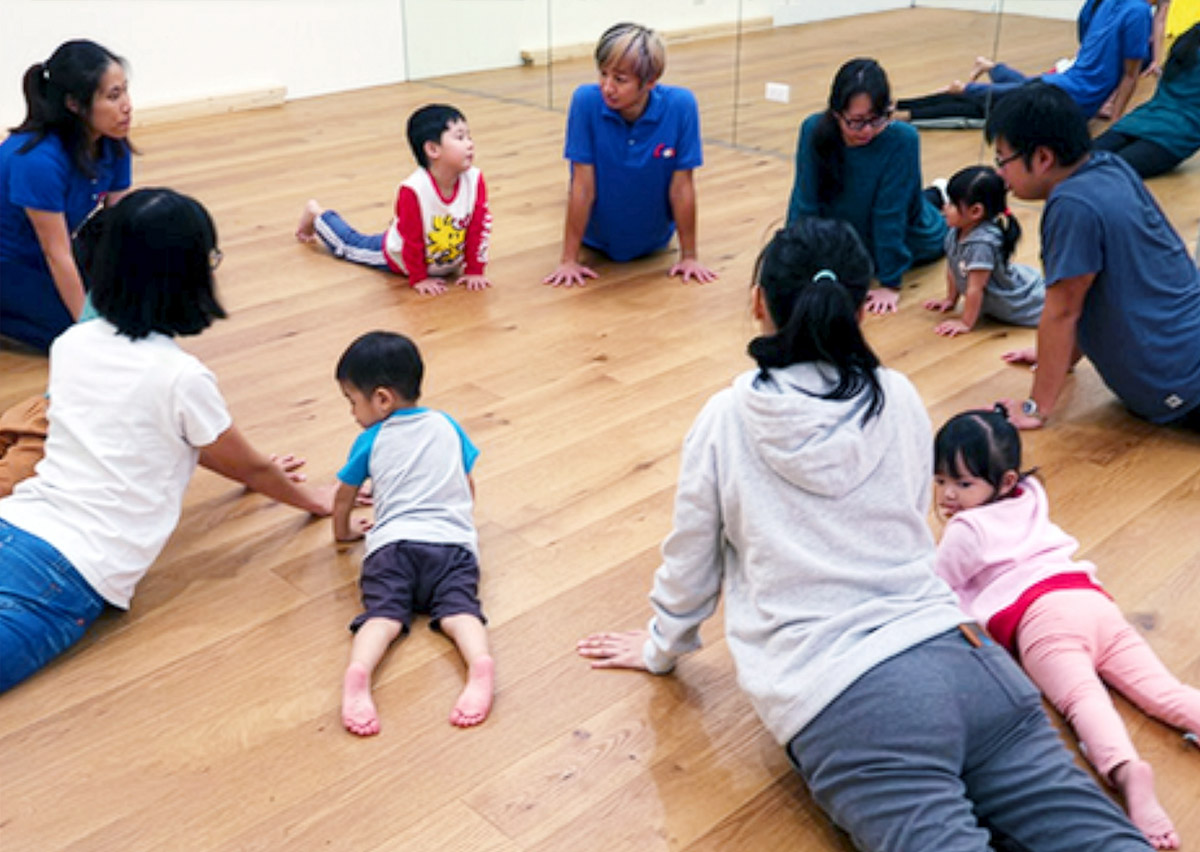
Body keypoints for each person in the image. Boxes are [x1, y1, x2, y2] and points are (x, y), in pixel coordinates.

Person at [576, 217, 1152, 852]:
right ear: (861, 309)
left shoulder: (726, 418)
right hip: (970, 661)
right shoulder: (898, 395)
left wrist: (663, 645)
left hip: (851, 700)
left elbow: (692, 562)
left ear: (760, 302)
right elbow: (908, 523)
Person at [0, 188, 335, 693]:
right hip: (68, 571)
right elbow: (244, 466)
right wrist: (315, 499)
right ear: (188, 279)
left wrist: (261, 472)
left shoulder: (70, 345)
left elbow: (189, 445)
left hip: (15, 520)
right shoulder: (182, 378)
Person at [933, 407, 1199, 849]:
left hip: (1040, 620)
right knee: (1163, 690)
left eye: (963, 483)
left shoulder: (967, 529)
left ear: (1003, 482)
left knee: (1084, 701)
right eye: (941, 480)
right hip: (1089, 598)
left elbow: (936, 588)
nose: (948, 495)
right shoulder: (1030, 495)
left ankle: (1128, 771)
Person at [985, 82, 1200, 429]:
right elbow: (1090, 290)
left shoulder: (1072, 205)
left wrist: (1034, 407)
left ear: (1042, 158)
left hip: (1176, 385)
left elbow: (1064, 310)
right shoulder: (1110, 165)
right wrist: (1059, 358)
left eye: (1002, 160)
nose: (1000, 173)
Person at [332, 330, 493, 736]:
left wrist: (345, 532)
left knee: (383, 617)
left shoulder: (370, 438)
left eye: (353, 401)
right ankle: (478, 665)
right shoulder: (446, 424)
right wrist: (461, 523)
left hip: (393, 547)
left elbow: (343, 498)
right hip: (453, 547)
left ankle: (360, 673)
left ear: (382, 398)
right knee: (460, 612)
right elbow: (466, 482)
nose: (353, 413)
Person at [543, 22, 716, 287]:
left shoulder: (682, 106)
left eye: (620, 79)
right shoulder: (585, 101)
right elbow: (582, 186)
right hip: (595, 241)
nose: (607, 87)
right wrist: (569, 259)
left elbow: (682, 188)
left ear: (650, 81)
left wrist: (689, 257)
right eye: (603, 74)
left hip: (654, 242)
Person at [0, 39, 133, 352]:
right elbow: (56, 253)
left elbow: (121, 224)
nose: (126, 105)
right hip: (10, 261)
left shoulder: (113, 141)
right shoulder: (37, 161)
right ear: (74, 104)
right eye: (113, 96)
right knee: (68, 331)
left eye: (125, 90)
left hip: (46, 250)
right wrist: (84, 331)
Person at [786, 58, 946, 315]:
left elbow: (889, 216)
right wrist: (793, 264)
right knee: (916, 197)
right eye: (857, 121)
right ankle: (938, 192)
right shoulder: (813, 129)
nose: (868, 131)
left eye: (878, 119)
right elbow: (804, 203)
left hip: (911, 235)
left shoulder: (901, 139)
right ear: (836, 113)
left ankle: (938, 196)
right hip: (846, 234)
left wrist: (890, 283)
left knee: (924, 212)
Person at [296, 104, 492, 296]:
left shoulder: (475, 180)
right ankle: (317, 215)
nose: (470, 143)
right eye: (460, 137)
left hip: (443, 260)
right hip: (398, 257)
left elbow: (479, 227)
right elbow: (412, 240)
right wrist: (419, 278)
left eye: (469, 136)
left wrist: (474, 270)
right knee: (348, 246)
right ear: (433, 149)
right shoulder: (413, 189)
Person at [896, 0, 1152, 125]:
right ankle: (907, 109)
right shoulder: (1139, 12)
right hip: (1071, 99)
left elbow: (1085, 37)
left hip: (1062, 83)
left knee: (1019, 88)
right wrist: (1117, 121)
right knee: (977, 107)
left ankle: (989, 68)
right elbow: (1130, 76)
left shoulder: (1109, 2)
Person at [923, 165, 1044, 336]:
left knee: (1060, 310)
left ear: (975, 211)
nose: (944, 207)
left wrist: (965, 323)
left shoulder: (981, 244)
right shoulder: (954, 231)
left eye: (952, 204)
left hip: (1017, 302)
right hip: (995, 297)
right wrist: (950, 300)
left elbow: (975, 288)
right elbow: (953, 266)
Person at [1094, 22, 1200, 178]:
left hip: (1141, 119)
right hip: (1174, 136)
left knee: (1077, 162)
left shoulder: (1188, 40)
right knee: (1107, 172)